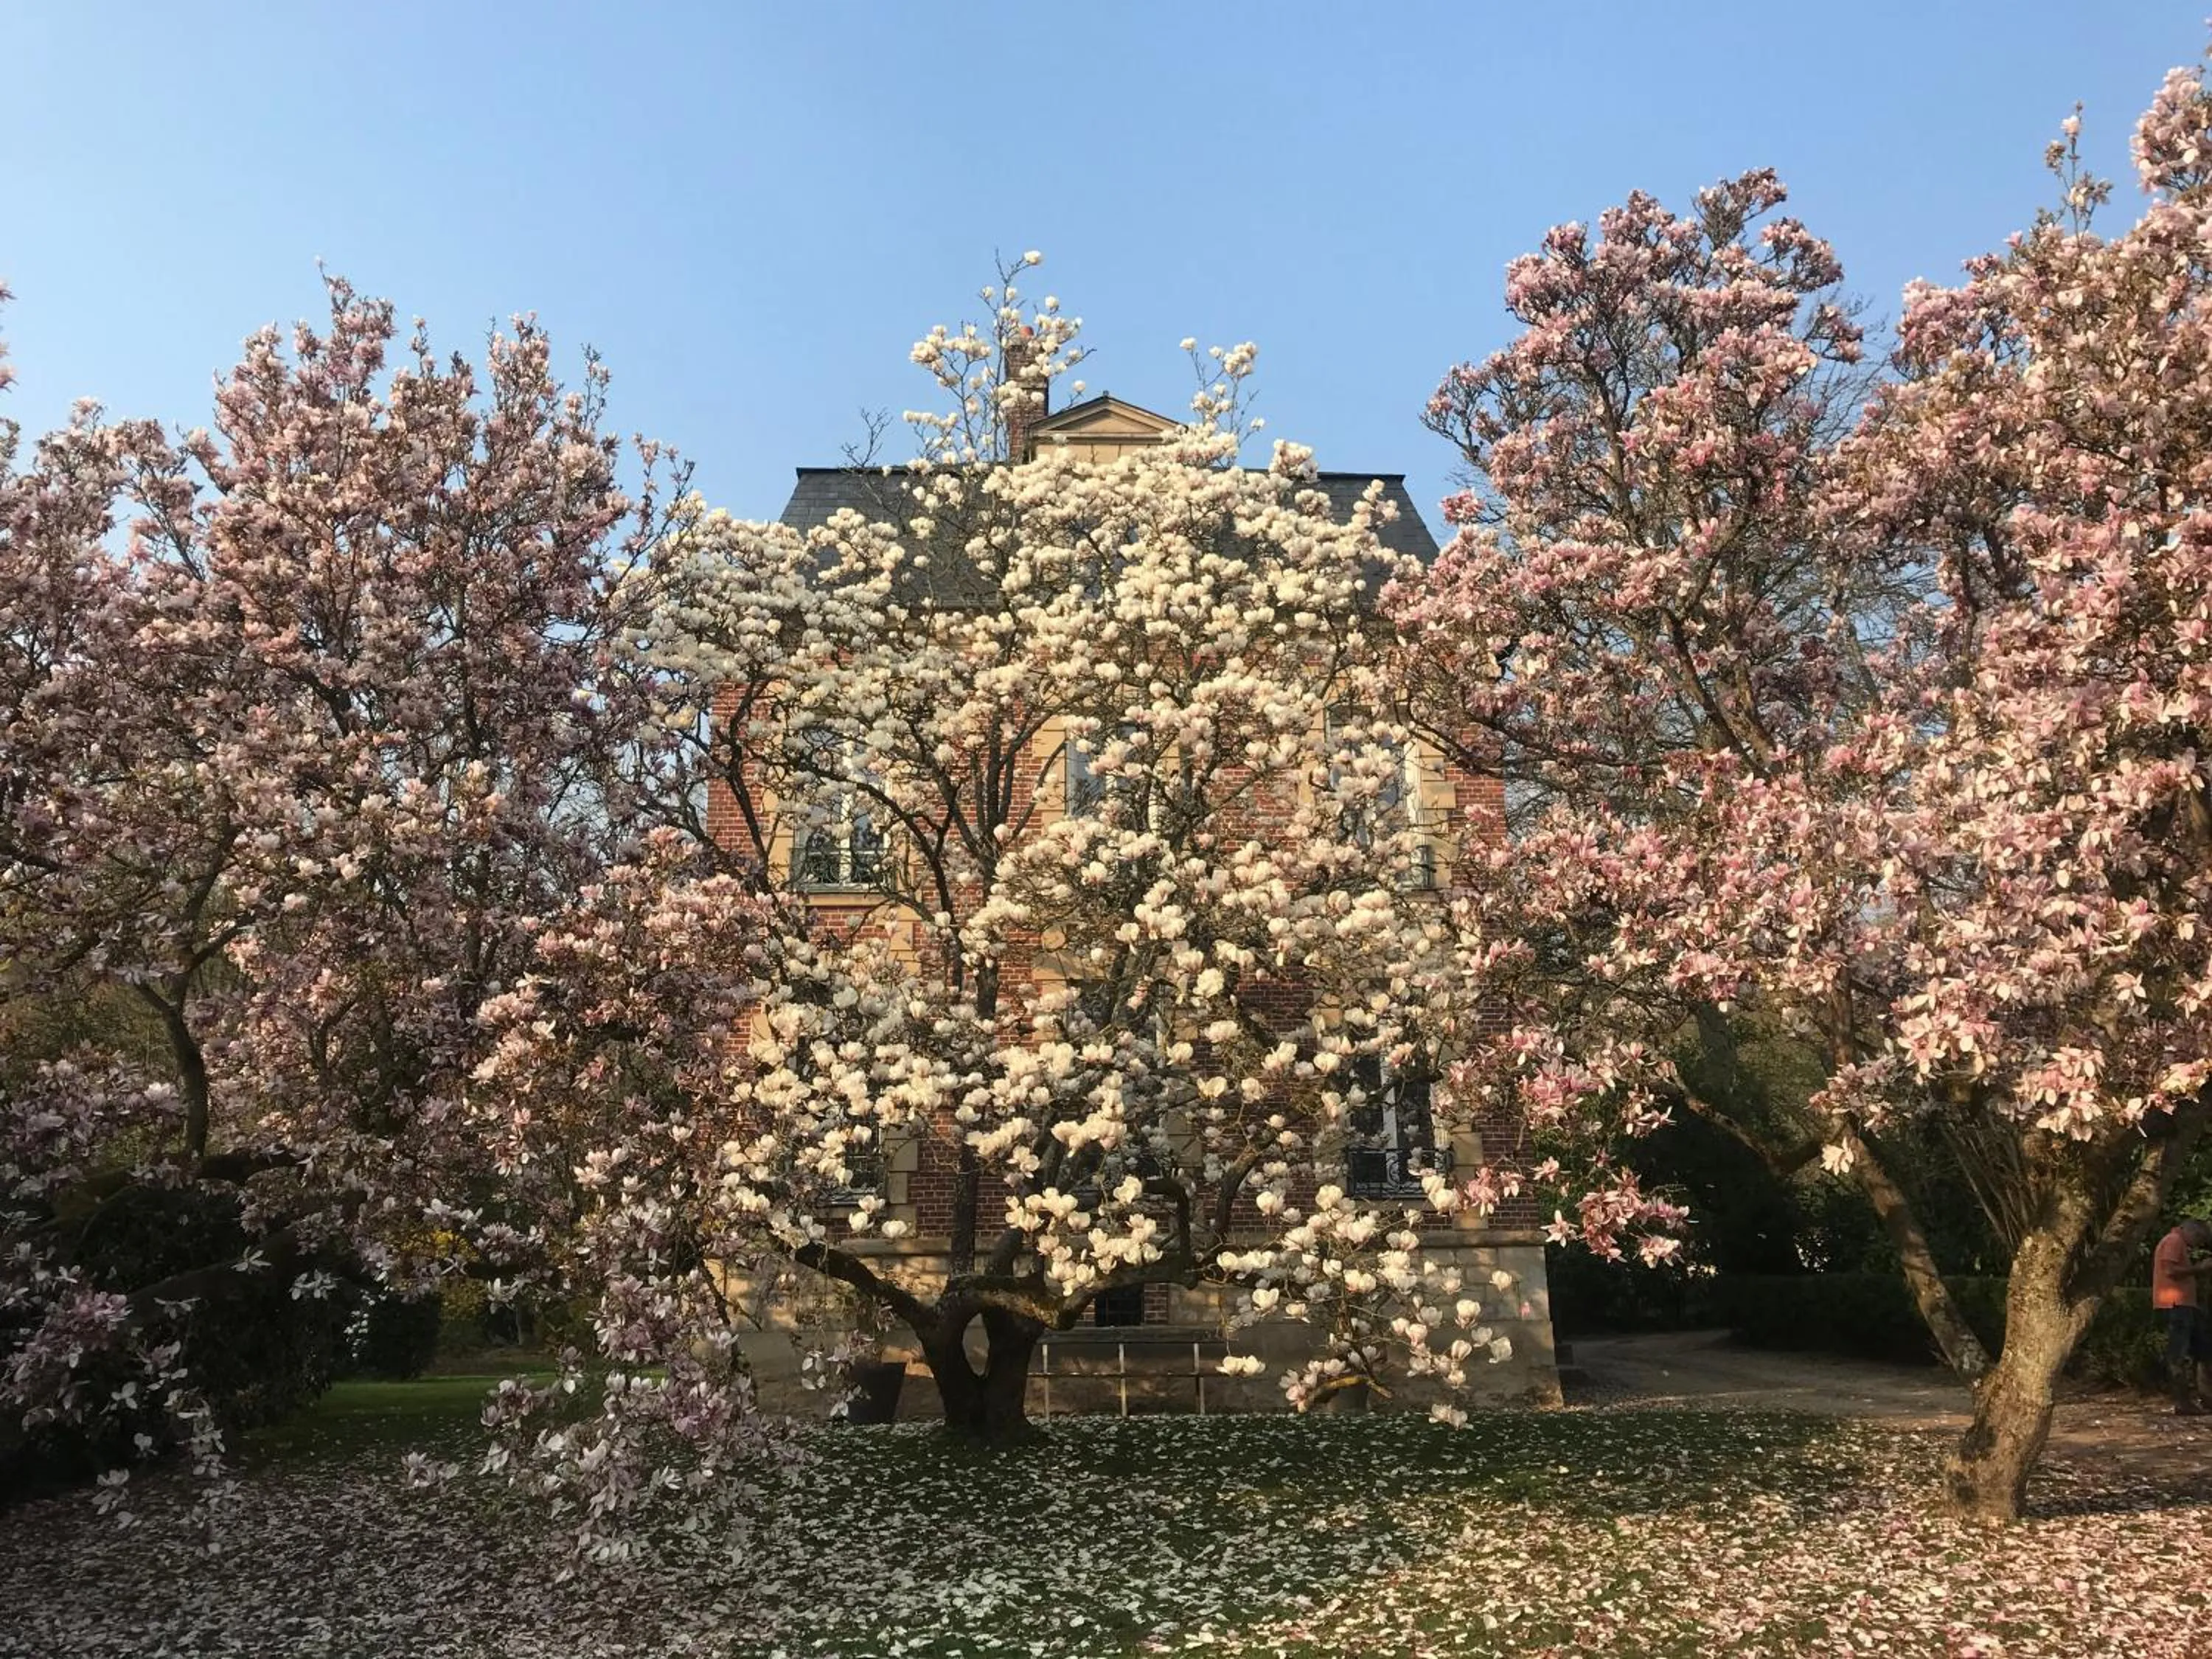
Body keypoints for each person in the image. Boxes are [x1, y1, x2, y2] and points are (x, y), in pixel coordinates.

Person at [2151, 1217, 2212, 1416]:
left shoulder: (2176, 1242)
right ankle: (2183, 1403)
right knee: (2178, 1355)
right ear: (2191, 1231)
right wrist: (2198, 1269)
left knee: (2203, 1350)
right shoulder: (2173, 1241)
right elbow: (2170, 1270)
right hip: (2176, 1303)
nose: (2198, 1243)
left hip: (2184, 1304)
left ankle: (2206, 1398)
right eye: (2200, 1238)